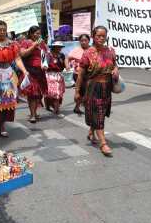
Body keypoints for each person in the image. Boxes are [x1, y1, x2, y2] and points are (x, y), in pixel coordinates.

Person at [74, 25, 119, 157]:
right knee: (98, 113)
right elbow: (81, 74)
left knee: (102, 112)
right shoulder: (88, 53)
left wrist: (116, 69)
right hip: (94, 87)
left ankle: (91, 131)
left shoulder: (110, 51)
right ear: (93, 36)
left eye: (103, 36)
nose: (101, 38)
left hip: (107, 87)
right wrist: (77, 91)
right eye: (98, 36)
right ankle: (103, 143)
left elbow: (115, 64)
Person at [19, 26, 48, 123]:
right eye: (36, 33)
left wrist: (45, 64)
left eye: (39, 33)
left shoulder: (42, 43)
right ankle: (32, 115)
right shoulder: (25, 42)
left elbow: (44, 55)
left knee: (39, 95)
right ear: (31, 34)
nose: (38, 35)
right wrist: (33, 46)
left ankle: (34, 113)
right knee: (32, 94)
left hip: (40, 72)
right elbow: (22, 54)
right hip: (30, 71)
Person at [67, 34, 90, 115]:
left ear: (89, 41)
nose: (83, 42)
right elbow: (67, 58)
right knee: (80, 92)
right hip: (78, 74)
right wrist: (67, 66)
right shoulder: (76, 50)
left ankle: (79, 107)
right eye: (81, 41)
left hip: (90, 75)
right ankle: (78, 106)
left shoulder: (92, 50)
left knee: (88, 91)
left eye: (85, 40)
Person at [45, 41, 67, 116]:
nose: (59, 48)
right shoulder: (48, 55)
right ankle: (49, 106)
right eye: (57, 47)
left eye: (60, 47)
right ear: (53, 47)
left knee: (58, 93)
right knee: (50, 93)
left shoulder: (62, 55)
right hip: (50, 75)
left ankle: (56, 109)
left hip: (59, 75)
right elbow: (45, 65)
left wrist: (67, 66)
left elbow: (65, 64)